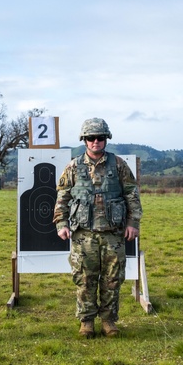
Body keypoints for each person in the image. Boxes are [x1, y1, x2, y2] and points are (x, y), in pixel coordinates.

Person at [54, 118, 142, 338]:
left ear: (106, 139)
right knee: (85, 278)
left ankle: (109, 320)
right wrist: (61, 223)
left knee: (112, 279)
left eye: (100, 138)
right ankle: (86, 321)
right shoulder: (73, 167)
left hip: (113, 233)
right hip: (83, 234)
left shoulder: (119, 165)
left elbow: (132, 194)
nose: (95, 142)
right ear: (84, 140)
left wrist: (133, 223)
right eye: (91, 138)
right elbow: (62, 197)